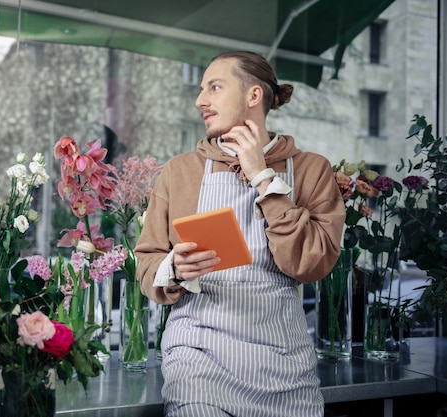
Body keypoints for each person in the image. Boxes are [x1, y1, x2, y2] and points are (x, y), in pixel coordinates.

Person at [134, 50, 345, 417]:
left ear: (253, 96)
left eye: (215, 87)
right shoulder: (179, 171)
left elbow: (312, 263)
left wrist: (263, 177)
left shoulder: (312, 170)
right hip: (198, 359)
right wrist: (174, 269)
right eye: (202, 89)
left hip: (286, 367)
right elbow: (147, 264)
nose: (201, 100)